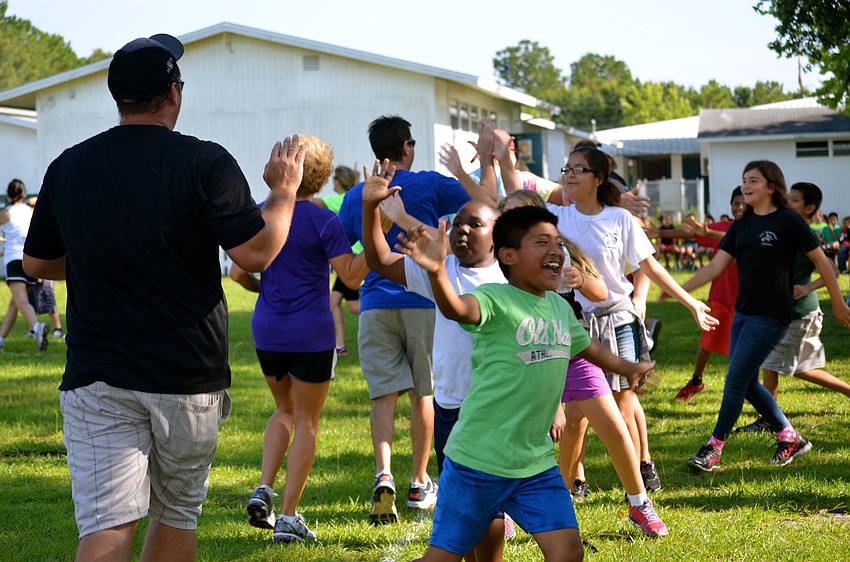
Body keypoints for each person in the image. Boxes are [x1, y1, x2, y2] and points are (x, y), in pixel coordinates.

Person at [22, 33, 306, 561]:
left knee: (106, 527)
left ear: (117, 98)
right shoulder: (204, 162)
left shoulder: (68, 165)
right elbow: (257, 252)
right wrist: (285, 190)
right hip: (186, 374)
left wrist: (98, 257)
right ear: (173, 93)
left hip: (97, 373)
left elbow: (37, 264)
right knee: (175, 516)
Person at [393, 202, 655, 562]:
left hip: (535, 464)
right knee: (444, 557)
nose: (555, 252)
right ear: (509, 256)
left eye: (558, 244)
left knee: (567, 551)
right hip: (477, 463)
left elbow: (587, 346)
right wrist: (438, 271)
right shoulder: (494, 298)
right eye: (542, 243)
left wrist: (627, 367)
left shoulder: (559, 307)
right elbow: (457, 308)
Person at [337, 115, 493, 524]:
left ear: (377, 152)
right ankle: (419, 481)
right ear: (407, 146)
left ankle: (384, 472)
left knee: (382, 396)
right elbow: (483, 205)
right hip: (425, 300)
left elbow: (346, 253)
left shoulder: (357, 194)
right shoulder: (430, 182)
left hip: (373, 301)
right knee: (424, 394)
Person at [543, 148, 717, 496]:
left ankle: (639, 480)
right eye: (567, 169)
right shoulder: (555, 216)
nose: (570, 174)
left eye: (580, 169)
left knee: (624, 402)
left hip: (618, 318)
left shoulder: (619, 219)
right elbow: (513, 202)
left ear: (599, 177)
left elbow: (649, 267)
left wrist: (690, 302)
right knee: (575, 413)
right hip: (576, 323)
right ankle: (564, 491)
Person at [501, 189, 669, 538]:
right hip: (522, 354)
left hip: (573, 347)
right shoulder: (497, 260)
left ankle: (639, 504)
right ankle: (507, 510)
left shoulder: (560, 251)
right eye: (506, 214)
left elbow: (599, 291)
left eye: (520, 214)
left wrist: (580, 279)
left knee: (612, 424)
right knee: (518, 432)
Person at [230, 135, 369, 544]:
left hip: (267, 328)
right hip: (310, 332)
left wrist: (267, 292)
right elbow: (352, 275)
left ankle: (264, 487)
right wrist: (377, 229)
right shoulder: (325, 219)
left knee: (282, 410)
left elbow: (239, 274)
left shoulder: (261, 214)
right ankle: (288, 516)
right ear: (324, 177)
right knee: (306, 421)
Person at [363, 173, 508, 560]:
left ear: (497, 235)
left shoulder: (509, 280)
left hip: (492, 406)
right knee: (463, 497)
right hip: (448, 405)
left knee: (486, 501)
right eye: (457, 223)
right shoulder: (442, 271)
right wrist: (369, 209)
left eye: (474, 224)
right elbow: (378, 260)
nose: (462, 230)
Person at [683, 161, 850, 473]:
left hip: (772, 316)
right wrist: (680, 290)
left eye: (754, 181)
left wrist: (838, 302)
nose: (746, 186)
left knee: (735, 379)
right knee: (744, 381)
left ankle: (714, 448)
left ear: (772, 186)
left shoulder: (789, 221)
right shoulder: (742, 224)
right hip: (743, 313)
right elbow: (715, 266)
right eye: (744, 180)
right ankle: (790, 438)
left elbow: (825, 263)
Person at [735, 182, 850, 433]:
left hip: (799, 313)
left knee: (775, 363)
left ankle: (769, 418)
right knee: (795, 367)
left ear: (809, 208)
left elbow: (832, 269)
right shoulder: (784, 226)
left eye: (795, 200)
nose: (788, 201)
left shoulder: (802, 231)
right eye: (789, 197)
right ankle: (770, 414)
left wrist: (809, 288)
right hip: (790, 312)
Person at [669, 187, 746, 402]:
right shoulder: (722, 226)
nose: (738, 206)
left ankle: (748, 389)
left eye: (742, 202)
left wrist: (707, 232)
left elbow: (734, 238)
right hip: (720, 297)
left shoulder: (752, 230)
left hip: (745, 302)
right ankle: (696, 381)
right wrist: (660, 233)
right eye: (735, 202)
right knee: (707, 343)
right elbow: (691, 233)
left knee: (742, 350)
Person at [316, 165, 363, 356]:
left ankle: (378, 307)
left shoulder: (338, 200)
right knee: (334, 301)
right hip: (356, 257)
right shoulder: (354, 197)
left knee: (353, 306)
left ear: (337, 182)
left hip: (349, 260)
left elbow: (313, 202)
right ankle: (340, 344)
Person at [0, 178, 49, 352]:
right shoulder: (30, 211)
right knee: (15, 303)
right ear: (23, 193)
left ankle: (37, 328)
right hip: (29, 260)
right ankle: (0, 339)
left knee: (20, 300)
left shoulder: (6, 213)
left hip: (13, 260)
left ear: (8, 194)